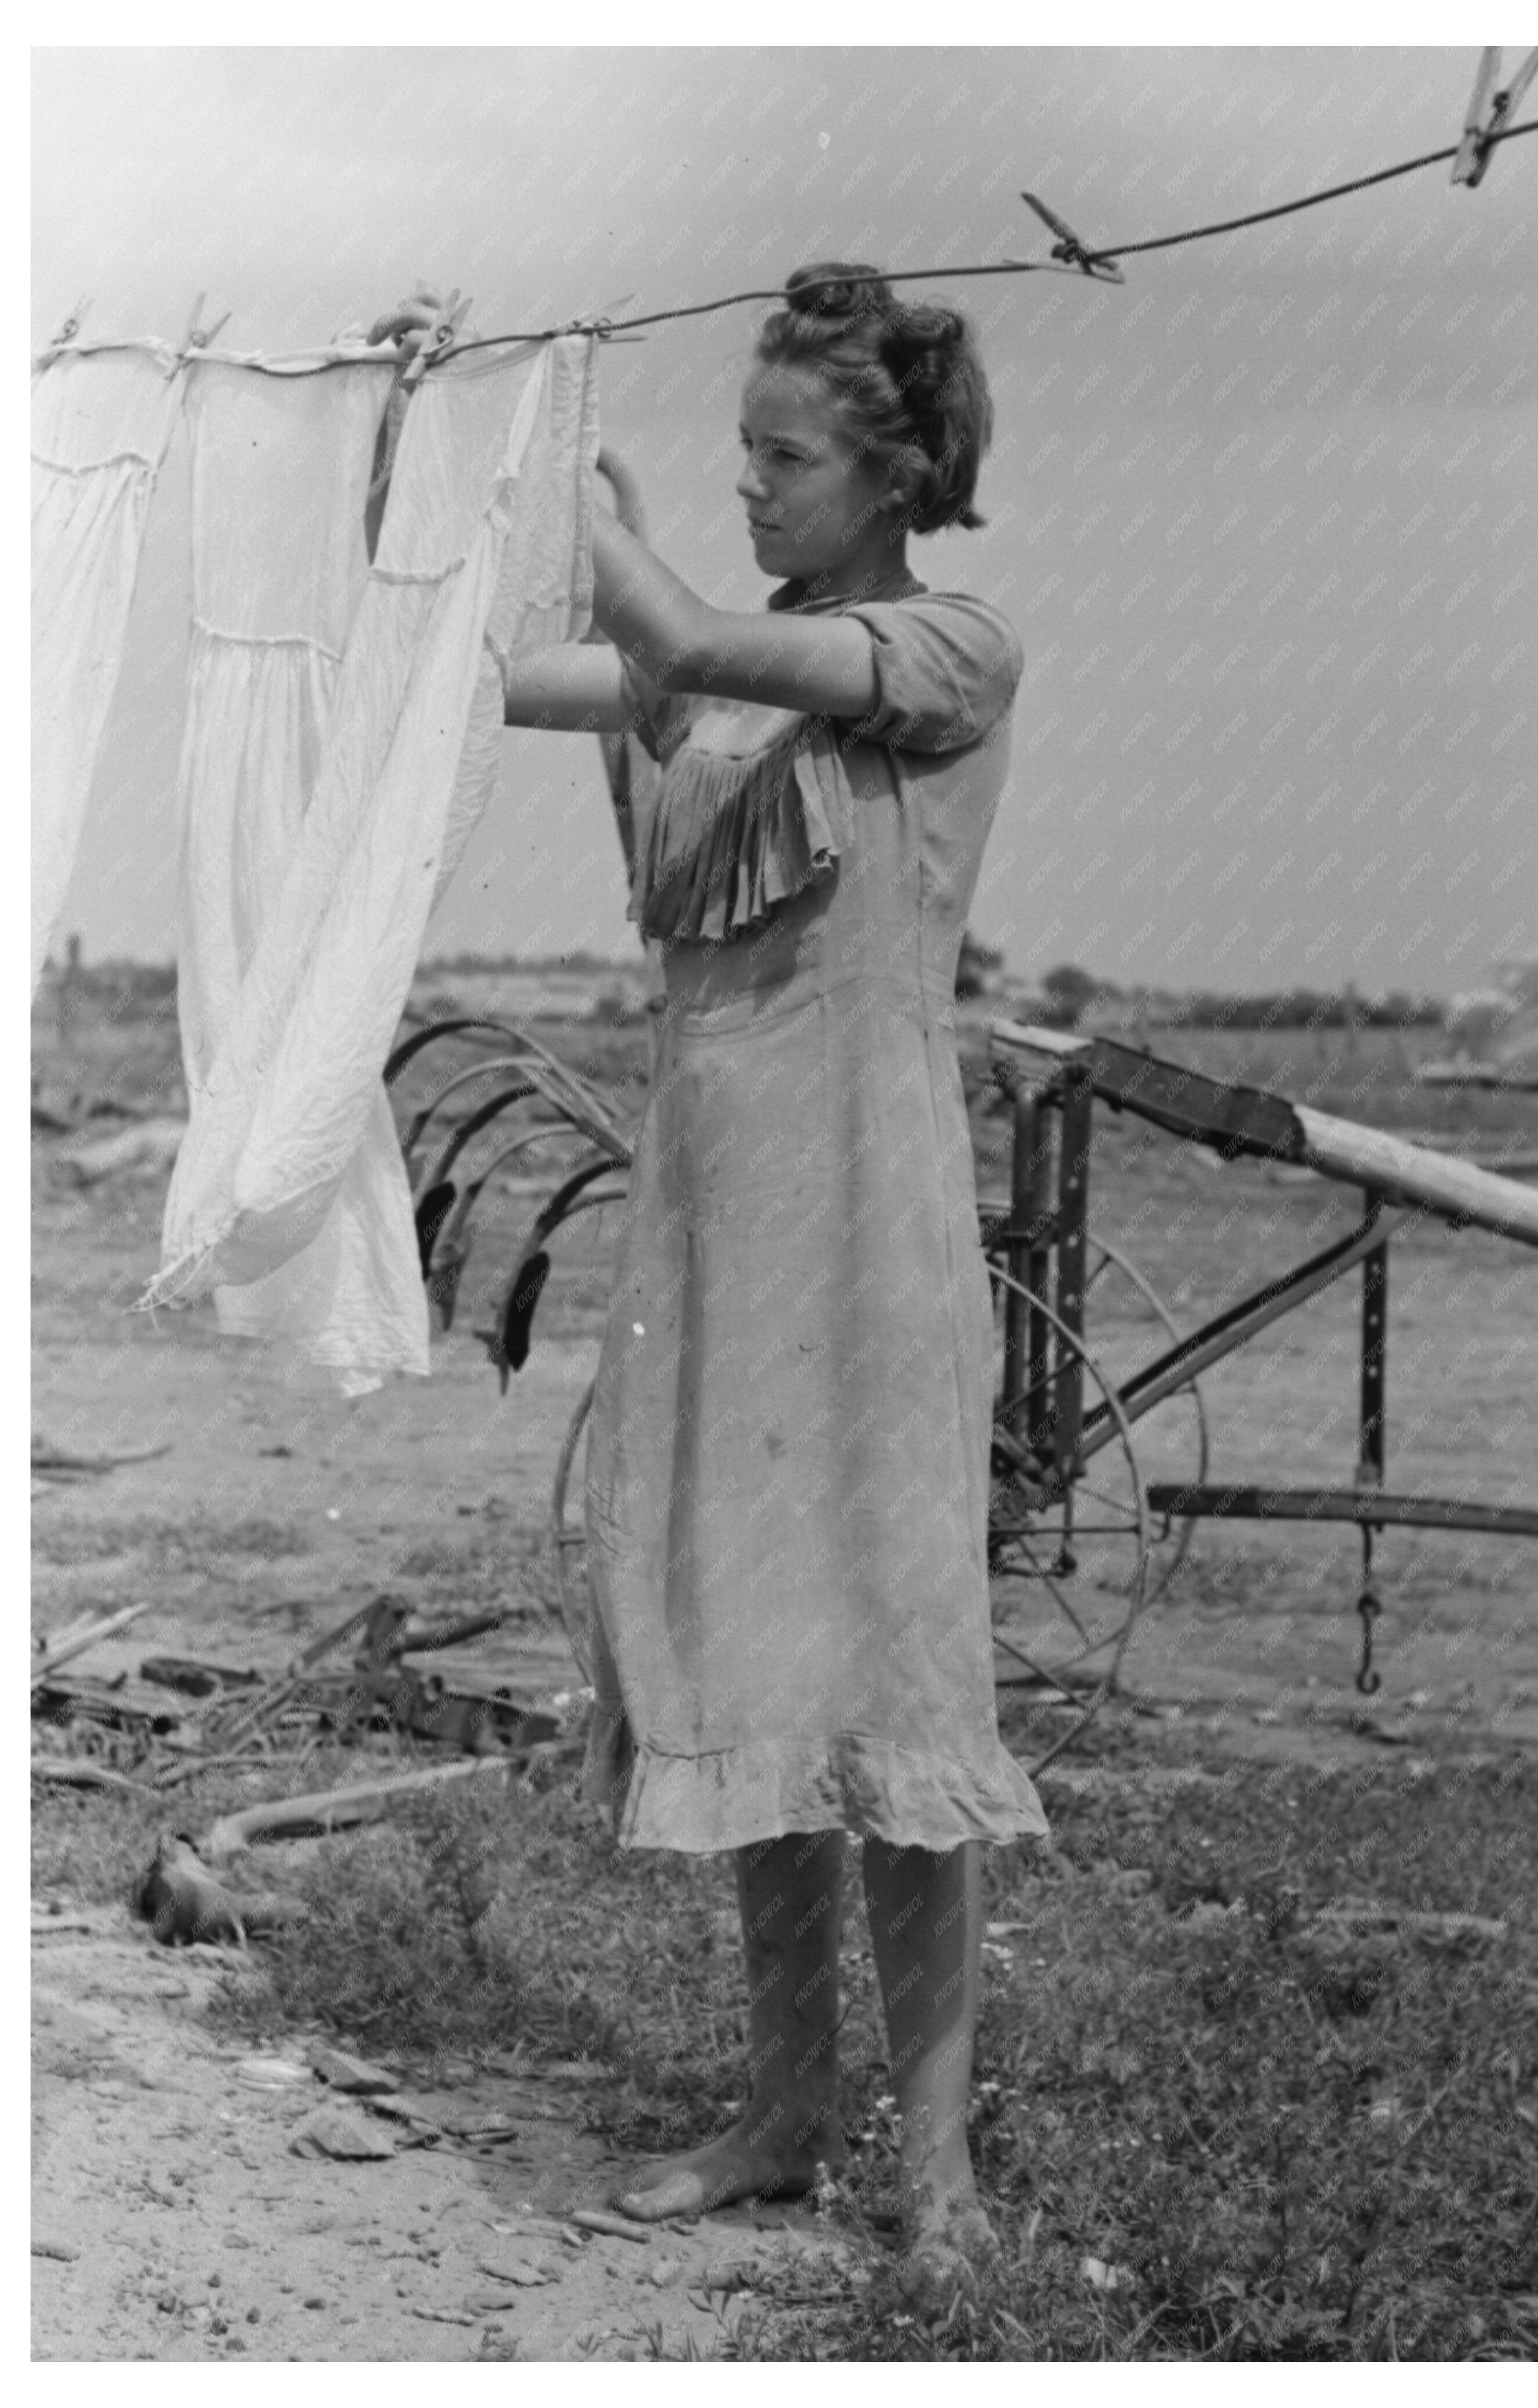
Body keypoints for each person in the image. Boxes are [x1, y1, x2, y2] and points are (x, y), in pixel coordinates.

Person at [370, 266, 1049, 2307]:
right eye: (736, 452)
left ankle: (933, 2164)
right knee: (756, 1656)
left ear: (897, 472)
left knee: (896, 1669)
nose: (750, 485)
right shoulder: (721, 680)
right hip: (717, 1217)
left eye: (784, 453)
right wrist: (432, 441)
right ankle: (778, 2112)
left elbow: (663, 633)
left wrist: (563, 466)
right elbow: (487, 672)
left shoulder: (944, 647)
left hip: (869, 1215)